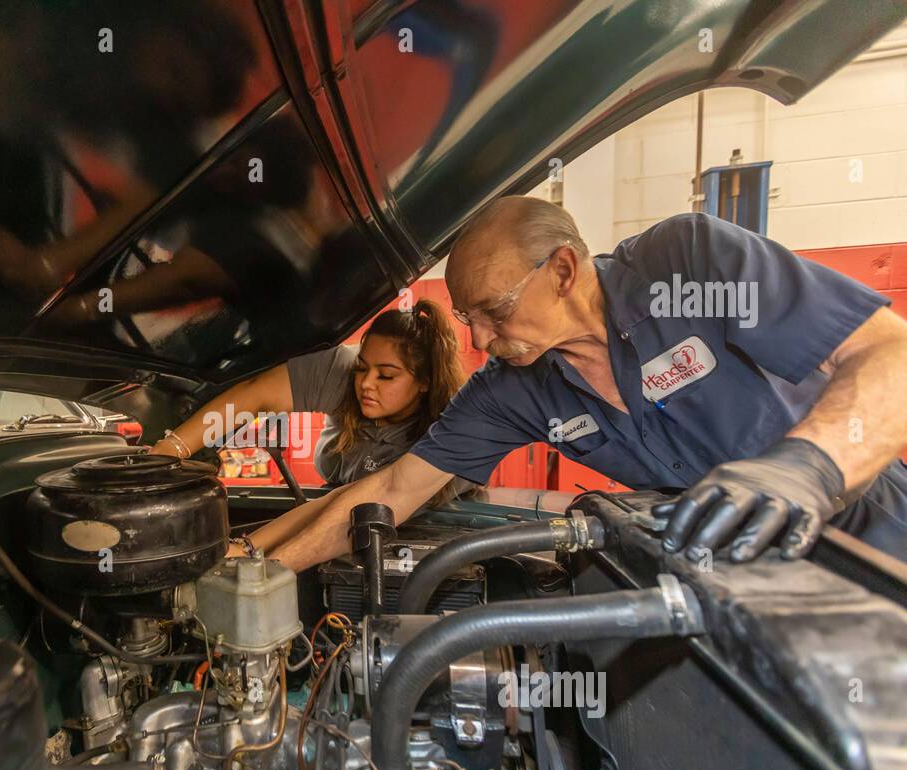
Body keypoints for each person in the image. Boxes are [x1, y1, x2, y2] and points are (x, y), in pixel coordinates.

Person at [267, 196, 907, 572]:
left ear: (565, 270)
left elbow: (889, 352)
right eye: (469, 319)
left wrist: (805, 470)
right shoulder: (512, 389)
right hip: (735, 575)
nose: (481, 340)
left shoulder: (685, 264)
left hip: (873, 538)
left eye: (495, 309)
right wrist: (261, 573)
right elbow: (392, 488)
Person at [151, 301, 471, 555]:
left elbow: (346, 505)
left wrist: (247, 548)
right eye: (362, 368)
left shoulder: (448, 436)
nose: (366, 384)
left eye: (386, 376)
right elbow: (255, 395)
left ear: (425, 383)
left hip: (424, 517)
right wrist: (170, 450)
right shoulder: (344, 370)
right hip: (340, 498)